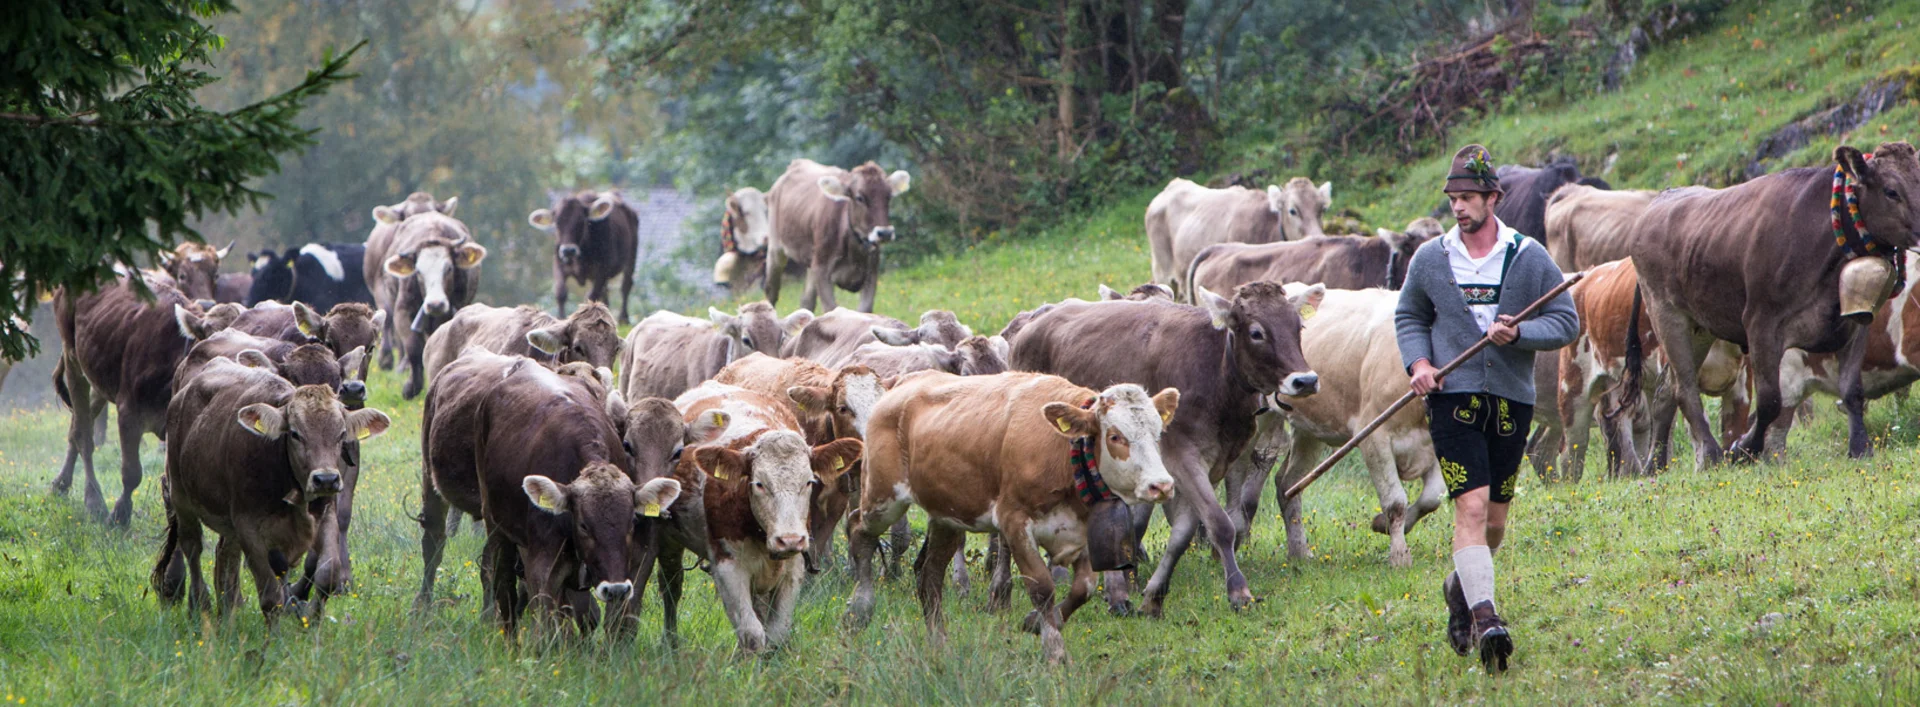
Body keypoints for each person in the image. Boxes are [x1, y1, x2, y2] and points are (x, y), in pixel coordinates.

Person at [1394, 144, 1578, 673]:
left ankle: (1461, 584)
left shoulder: (1529, 257)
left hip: (1511, 401)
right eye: (1453, 197)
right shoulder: (1431, 258)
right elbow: (1409, 317)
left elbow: (1565, 323)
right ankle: (1487, 619)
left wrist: (1519, 332)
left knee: (1495, 521)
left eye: (1469, 197)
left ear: (1494, 198)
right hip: (1451, 400)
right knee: (1470, 508)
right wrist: (1420, 364)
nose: (1459, 207)